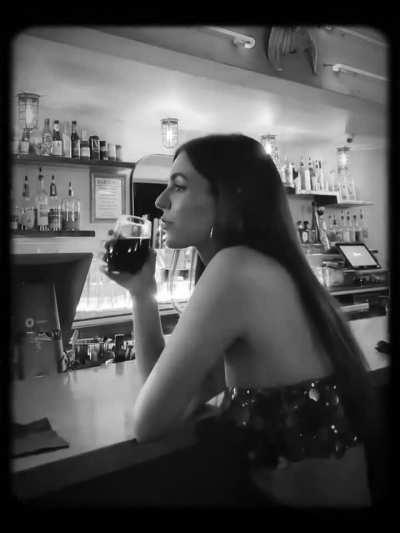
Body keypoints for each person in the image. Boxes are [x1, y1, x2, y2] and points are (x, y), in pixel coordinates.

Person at [100, 134, 385, 508]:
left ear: (228, 198)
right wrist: (142, 294)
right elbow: (169, 398)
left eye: (179, 186)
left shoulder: (236, 270)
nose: (160, 201)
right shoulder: (265, 267)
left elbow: (148, 423)